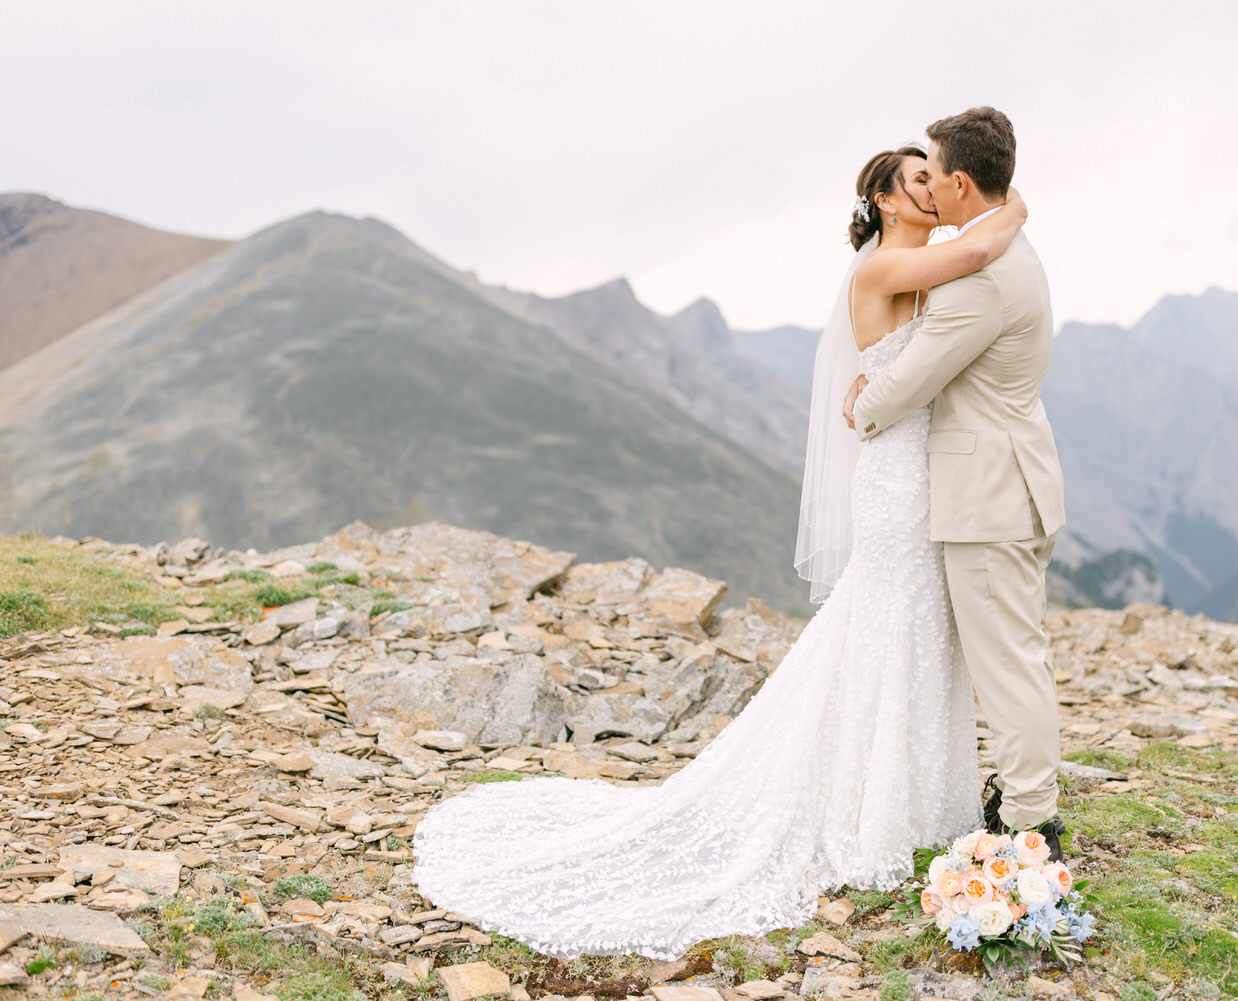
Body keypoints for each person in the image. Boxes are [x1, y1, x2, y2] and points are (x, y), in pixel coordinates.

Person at [411, 139, 1028, 961]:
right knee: (893, 623)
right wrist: (1010, 201)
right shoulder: (882, 268)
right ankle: (872, 809)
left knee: (911, 630)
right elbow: (982, 248)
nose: (929, 187)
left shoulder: (919, 267)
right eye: (915, 179)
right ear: (884, 199)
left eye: (933, 177)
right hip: (895, 484)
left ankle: (909, 801)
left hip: (921, 469)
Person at [846, 107, 1067, 854]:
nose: (929, 183)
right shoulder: (1007, 241)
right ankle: (1011, 794)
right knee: (1009, 653)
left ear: (961, 182)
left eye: (934, 171)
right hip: (1004, 479)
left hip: (986, 495)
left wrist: (863, 403)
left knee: (1007, 663)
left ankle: (1033, 821)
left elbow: (907, 382)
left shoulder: (978, 280)